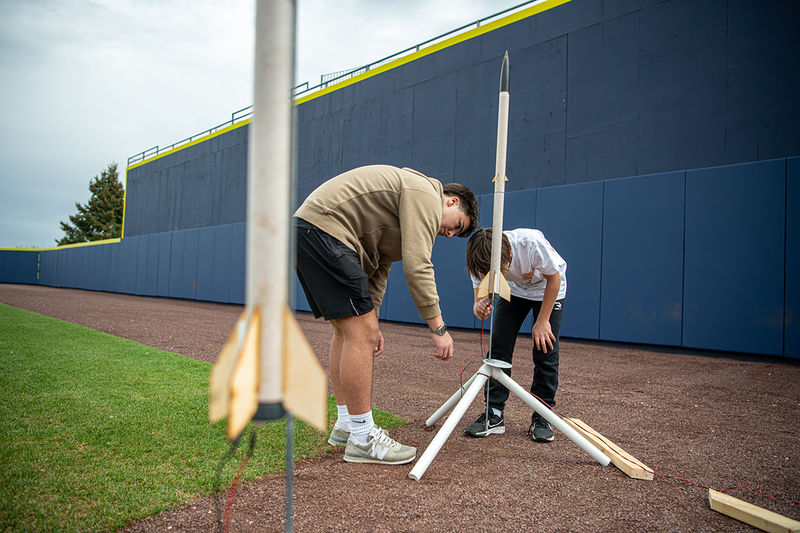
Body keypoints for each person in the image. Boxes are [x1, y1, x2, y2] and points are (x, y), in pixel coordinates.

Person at [294, 164, 479, 465]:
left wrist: (373, 320)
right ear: (451, 201)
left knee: (347, 332)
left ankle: (346, 424)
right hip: (327, 230)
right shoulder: (425, 194)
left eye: (456, 233)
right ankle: (364, 438)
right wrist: (438, 327)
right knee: (357, 333)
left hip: (312, 230)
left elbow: (378, 267)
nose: (449, 234)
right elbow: (418, 266)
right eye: (457, 225)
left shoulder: (406, 210)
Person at [463, 227, 566, 442]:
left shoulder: (530, 243)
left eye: (499, 270)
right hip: (516, 292)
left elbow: (554, 278)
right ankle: (494, 414)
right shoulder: (478, 256)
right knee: (498, 348)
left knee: (545, 349)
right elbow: (478, 298)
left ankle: (543, 417)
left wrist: (543, 320)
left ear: (508, 254)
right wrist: (478, 306)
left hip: (547, 288)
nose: (493, 276)